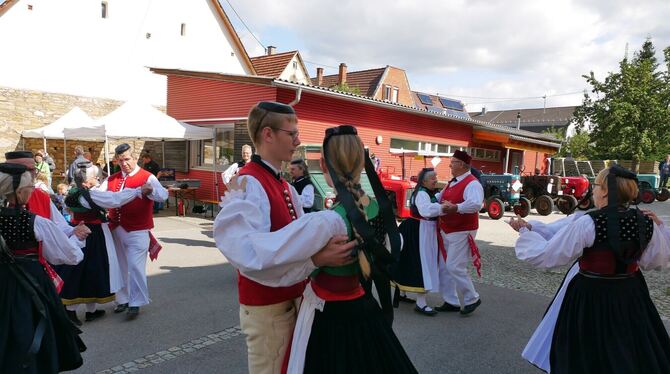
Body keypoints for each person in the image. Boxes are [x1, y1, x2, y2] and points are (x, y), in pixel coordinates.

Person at [213, 102, 357, 374]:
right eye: (291, 134)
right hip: (268, 310)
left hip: (291, 302)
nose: (298, 141)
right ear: (268, 134)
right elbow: (249, 256)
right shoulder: (249, 183)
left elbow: (296, 240)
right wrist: (315, 259)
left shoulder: (284, 185)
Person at [510, 164, 670, 373]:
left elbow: (548, 256)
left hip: (591, 294)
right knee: (628, 349)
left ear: (605, 191)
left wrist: (526, 235)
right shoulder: (645, 222)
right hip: (630, 293)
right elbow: (656, 261)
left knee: (587, 352)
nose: (593, 190)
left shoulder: (590, 222)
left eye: (595, 185)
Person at [285, 125, 416, 373]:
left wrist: (316, 260)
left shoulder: (326, 221)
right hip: (364, 310)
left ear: (324, 165)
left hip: (327, 315)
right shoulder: (378, 210)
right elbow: (389, 252)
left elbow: (287, 267)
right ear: (361, 163)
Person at [0, 162, 87, 373]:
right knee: (31, 333)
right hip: (30, 285)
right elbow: (70, 256)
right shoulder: (35, 222)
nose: (32, 191)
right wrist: (76, 238)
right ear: (20, 192)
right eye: (30, 187)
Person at [56, 160, 149, 326]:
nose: (98, 181)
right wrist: (137, 191)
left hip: (79, 231)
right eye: (94, 178)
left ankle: (91, 311)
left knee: (88, 270)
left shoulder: (73, 192)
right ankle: (71, 312)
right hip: (92, 235)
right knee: (86, 270)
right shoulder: (91, 194)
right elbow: (115, 199)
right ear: (85, 182)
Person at [98, 143, 168, 319]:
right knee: (119, 265)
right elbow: (99, 195)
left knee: (135, 267)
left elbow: (163, 195)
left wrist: (151, 190)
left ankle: (136, 302)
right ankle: (123, 299)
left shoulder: (147, 177)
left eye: (127, 159)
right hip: (116, 228)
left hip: (138, 229)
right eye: (120, 160)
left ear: (135, 158)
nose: (124, 163)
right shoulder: (111, 179)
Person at [436, 150, 484, 315]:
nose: (450, 165)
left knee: (454, 266)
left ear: (462, 165)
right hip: (448, 229)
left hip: (462, 230)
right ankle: (451, 300)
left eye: (453, 162)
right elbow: (440, 197)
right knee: (445, 266)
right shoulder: (453, 182)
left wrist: (457, 207)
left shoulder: (472, 184)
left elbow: (476, 204)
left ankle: (472, 297)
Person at [5, 151, 90, 241]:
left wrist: (73, 230)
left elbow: (58, 224)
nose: (33, 174)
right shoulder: (4, 198)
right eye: (26, 170)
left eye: (33, 169)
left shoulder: (42, 197)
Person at [392, 168, 443, 316]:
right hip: (420, 231)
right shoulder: (422, 193)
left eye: (436, 177)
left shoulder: (425, 192)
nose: (436, 180)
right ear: (425, 181)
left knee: (409, 261)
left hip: (419, 230)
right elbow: (426, 211)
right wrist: (443, 207)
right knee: (423, 264)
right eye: (433, 178)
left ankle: (402, 293)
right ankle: (421, 303)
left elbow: (433, 201)